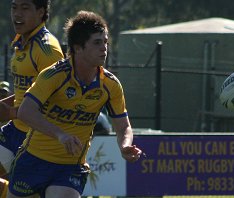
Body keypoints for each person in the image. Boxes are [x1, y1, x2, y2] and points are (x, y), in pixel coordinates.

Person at [7, 10, 142, 197]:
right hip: (32, 161)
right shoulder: (53, 75)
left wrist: (125, 145)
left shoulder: (110, 85)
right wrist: (61, 135)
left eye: (105, 42)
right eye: (97, 43)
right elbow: (25, 112)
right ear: (78, 47)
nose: (104, 48)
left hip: (69, 167)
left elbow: (123, 126)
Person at [0, 0, 64, 197]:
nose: (17, 14)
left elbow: (56, 102)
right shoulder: (22, 41)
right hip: (15, 130)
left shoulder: (48, 50)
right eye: (14, 7)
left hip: (34, 138)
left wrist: (11, 112)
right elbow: (28, 91)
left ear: (41, 12)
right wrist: (7, 105)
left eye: (25, 8)